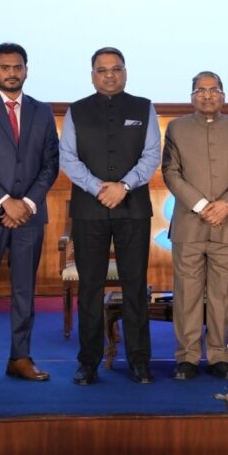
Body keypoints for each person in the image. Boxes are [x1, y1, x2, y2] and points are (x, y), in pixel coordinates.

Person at [58, 47, 160, 385]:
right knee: (90, 287)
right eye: (102, 70)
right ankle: (88, 362)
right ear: (92, 76)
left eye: (116, 69)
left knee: (134, 286)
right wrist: (98, 188)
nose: (109, 75)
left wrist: (124, 186)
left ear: (125, 72)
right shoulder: (76, 110)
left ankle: (139, 360)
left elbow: (151, 154)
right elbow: (67, 157)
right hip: (89, 209)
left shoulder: (144, 107)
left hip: (133, 208)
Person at [0, 43, 59, 388]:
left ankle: (20, 357)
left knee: (24, 291)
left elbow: (51, 163)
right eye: (5, 67)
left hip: (29, 216)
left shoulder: (42, 111)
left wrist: (27, 203)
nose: (12, 73)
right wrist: (5, 201)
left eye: (18, 67)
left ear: (26, 70)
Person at [162, 71, 228, 381]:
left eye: (213, 90)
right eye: (200, 90)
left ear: (223, 95)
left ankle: (218, 355)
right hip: (189, 225)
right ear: (192, 96)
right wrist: (202, 205)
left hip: (226, 225)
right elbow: (171, 172)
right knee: (186, 294)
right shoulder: (177, 128)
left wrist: (226, 204)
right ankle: (187, 357)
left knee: (221, 295)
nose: (207, 95)